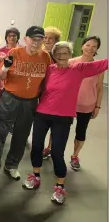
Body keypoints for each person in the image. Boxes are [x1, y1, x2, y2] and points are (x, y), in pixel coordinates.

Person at [22, 41, 107, 205]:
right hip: (42, 113)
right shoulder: (49, 70)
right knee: (37, 147)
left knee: (56, 153)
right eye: (58, 53)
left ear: (70, 54)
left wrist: (97, 105)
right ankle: (36, 176)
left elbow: (104, 63)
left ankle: (60, 186)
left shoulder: (79, 68)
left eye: (65, 53)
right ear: (54, 55)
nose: (61, 56)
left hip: (63, 117)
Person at [0, 26, 52, 181]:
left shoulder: (45, 57)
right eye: (33, 39)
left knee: (21, 135)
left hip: (30, 101)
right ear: (26, 39)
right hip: (10, 98)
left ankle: (12, 165)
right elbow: (0, 76)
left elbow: (46, 81)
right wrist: (5, 67)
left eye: (40, 39)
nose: (36, 43)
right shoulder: (14, 53)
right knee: (1, 132)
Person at [43, 36, 105, 169]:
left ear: (97, 50)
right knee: (58, 128)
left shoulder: (98, 67)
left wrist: (97, 106)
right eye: (88, 45)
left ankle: (75, 156)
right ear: (82, 46)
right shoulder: (70, 62)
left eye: (94, 46)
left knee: (81, 131)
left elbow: (100, 88)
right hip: (66, 103)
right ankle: (49, 148)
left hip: (87, 105)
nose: (90, 48)